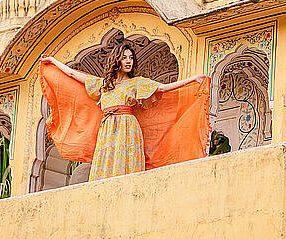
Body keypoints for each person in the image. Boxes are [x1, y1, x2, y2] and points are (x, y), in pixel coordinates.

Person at [38, 41, 211, 181]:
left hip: (127, 127)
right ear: (116, 61)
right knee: (105, 168)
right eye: (124, 58)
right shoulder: (103, 85)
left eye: (131, 58)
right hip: (106, 130)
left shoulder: (136, 83)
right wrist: (53, 61)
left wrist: (192, 80)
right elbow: (73, 75)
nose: (129, 61)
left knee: (126, 168)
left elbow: (163, 88)